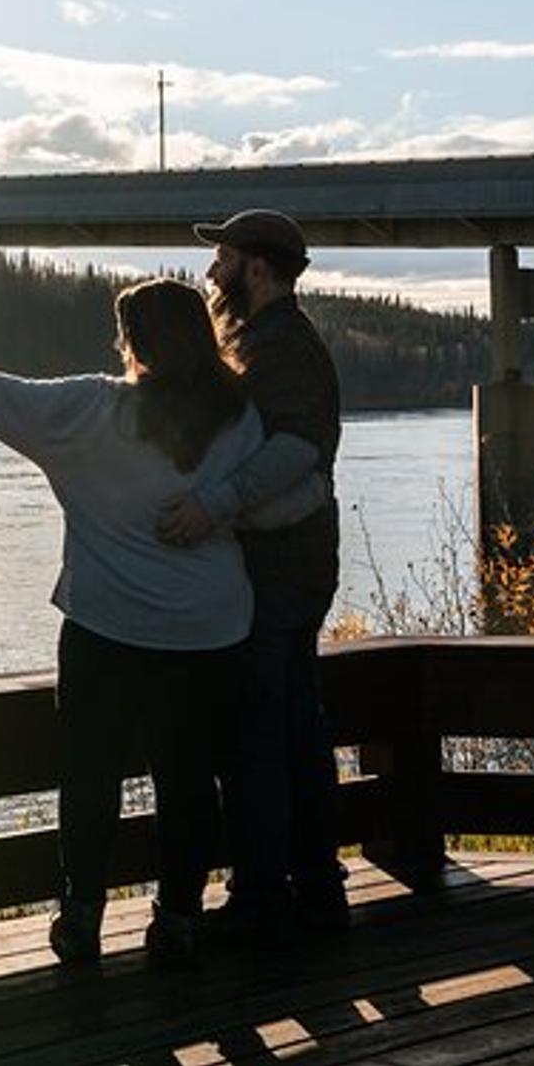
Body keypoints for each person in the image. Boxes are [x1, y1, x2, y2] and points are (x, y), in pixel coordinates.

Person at [0, 278, 320, 970]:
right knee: (188, 780)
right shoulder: (237, 415)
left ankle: (82, 914)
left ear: (137, 343)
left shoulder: (88, 409)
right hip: (206, 633)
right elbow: (286, 486)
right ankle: (179, 917)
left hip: (105, 631)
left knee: (90, 775)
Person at [157, 208, 348, 945]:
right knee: (297, 728)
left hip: (280, 572)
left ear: (258, 270)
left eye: (225, 259)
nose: (211, 272)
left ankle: (265, 896)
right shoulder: (267, 340)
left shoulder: (283, 346)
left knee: (255, 738)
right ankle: (316, 890)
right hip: (294, 565)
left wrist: (213, 503)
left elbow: (295, 449)